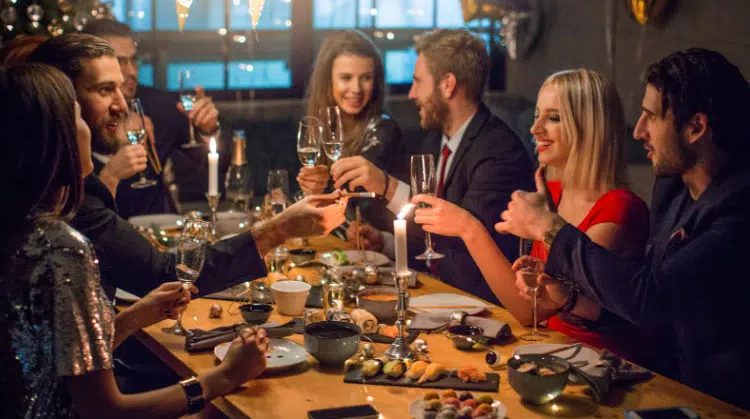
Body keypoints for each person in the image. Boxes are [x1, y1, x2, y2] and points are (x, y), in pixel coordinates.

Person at [0, 63, 269, 419]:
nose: (90, 125)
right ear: (54, 137)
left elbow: (54, 365)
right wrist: (224, 377)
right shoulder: (62, 247)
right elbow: (106, 417)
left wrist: (132, 318)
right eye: (75, 114)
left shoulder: (20, 228)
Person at [497, 48, 750, 410]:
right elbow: (634, 295)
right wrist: (568, 298)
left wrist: (550, 228)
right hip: (669, 388)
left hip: (725, 407)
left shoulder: (739, 208)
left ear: (696, 127)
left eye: (651, 117)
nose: (638, 131)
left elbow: (653, 299)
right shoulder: (674, 187)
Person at [29, 34, 347, 301]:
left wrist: (208, 130)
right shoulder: (64, 201)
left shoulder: (47, 177)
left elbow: (210, 163)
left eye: (128, 69)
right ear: (62, 100)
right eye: (103, 90)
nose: (122, 104)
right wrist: (280, 228)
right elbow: (166, 274)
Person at [413, 69, 653, 363]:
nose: (535, 129)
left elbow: (534, 312)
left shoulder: (619, 209)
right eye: (537, 115)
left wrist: (469, 227)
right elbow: (527, 308)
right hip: (548, 354)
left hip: (596, 370)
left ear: (590, 128)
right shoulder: (550, 192)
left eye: (553, 118)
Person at [332, 29, 533, 302]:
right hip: (432, 294)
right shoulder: (435, 141)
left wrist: (387, 186)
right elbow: (428, 239)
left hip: (478, 307)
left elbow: (462, 241)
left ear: (448, 84)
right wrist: (385, 242)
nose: (412, 94)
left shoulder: (498, 151)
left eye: (418, 82)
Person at [82, 18, 220, 219]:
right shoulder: (73, 117)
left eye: (133, 60)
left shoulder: (159, 105)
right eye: (119, 61)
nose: (131, 71)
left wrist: (208, 129)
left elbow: (217, 166)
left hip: (161, 233)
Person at [296, 30, 405, 231]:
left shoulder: (383, 129)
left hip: (376, 253)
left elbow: (351, 200)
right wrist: (309, 191)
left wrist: (319, 192)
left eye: (365, 78)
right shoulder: (318, 129)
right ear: (327, 81)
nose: (356, 88)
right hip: (336, 250)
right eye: (346, 78)